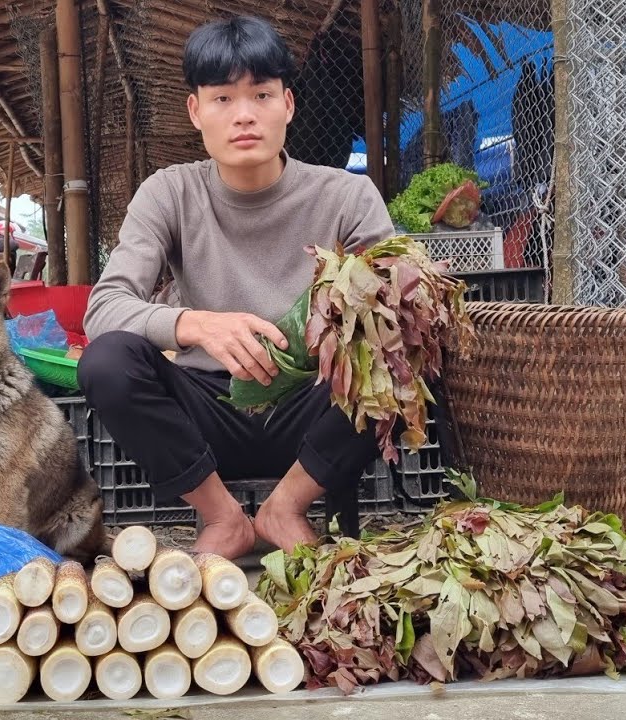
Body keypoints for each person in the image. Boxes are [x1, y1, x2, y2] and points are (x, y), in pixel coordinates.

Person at [78, 15, 395, 560]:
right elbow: (103, 309)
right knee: (106, 361)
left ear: (288, 105)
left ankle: (285, 507)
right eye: (222, 98)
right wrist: (196, 323)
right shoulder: (169, 193)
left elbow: (396, 309)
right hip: (208, 410)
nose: (244, 115)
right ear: (196, 111)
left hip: (313, 406)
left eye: (262, 95)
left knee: (406, 348)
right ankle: (225, 519)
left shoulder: (347, 197)